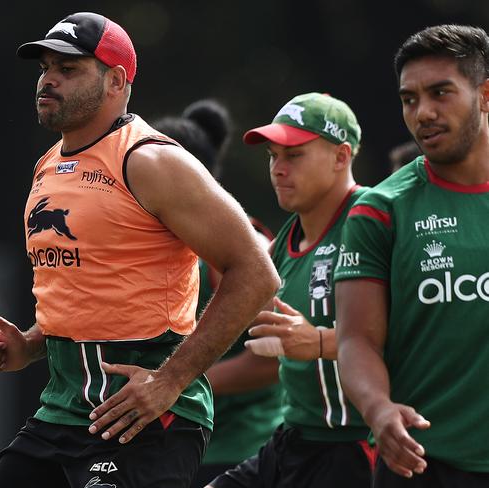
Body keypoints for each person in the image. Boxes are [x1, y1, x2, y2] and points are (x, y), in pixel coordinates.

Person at [0, 11, 279, 488]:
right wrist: (29, 346)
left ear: (115, 80)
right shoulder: (47, 167)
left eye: (68, 69)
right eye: (45, 68)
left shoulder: (151, 160)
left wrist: (171, 380)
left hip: (144, 419)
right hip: (62, 413)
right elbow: (93, 295)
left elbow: (258, 272)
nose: (48, 80)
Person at [335, 24, 489, 486]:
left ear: (485, 95)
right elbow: (356, 340)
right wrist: (379, 409)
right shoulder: (381, 210)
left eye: (441, 93)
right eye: (409, 99)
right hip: (423, 464)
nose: (423, 113)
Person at [207, 92, 376, 488]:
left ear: (341, 156)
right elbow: (267, 347)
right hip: (293, 440)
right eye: (272, 156)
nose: (278, 169)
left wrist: (316, 340)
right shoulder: (283, 241)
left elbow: (414, 334)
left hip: (357, 446)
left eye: (294, 155)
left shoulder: (375, 221)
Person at [152, 100, 284, 488]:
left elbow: (274, 361)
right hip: (167, 449)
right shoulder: (146, 248)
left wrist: (173, 380)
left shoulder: (240, 252)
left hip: (239, 451)